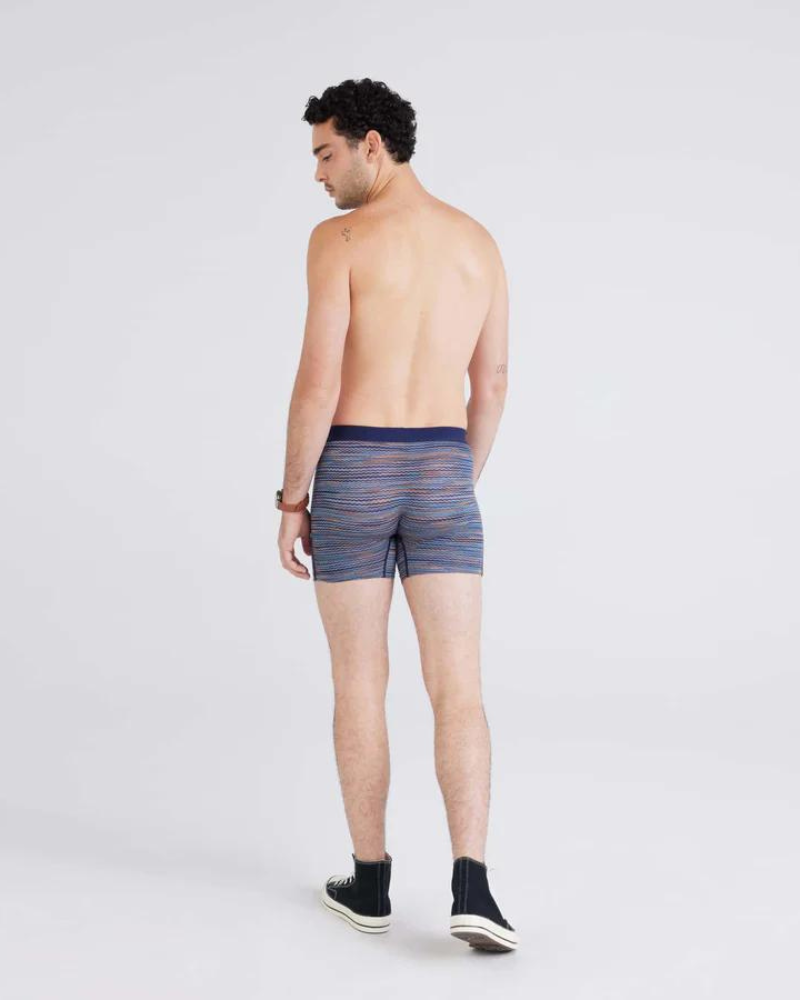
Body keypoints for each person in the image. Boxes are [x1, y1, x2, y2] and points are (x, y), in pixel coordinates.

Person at [276, 78, 517, 953]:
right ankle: (473, 885)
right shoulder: (476, 242)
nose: (317, 174)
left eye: (325, 154)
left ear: (371, 145)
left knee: (359, 682)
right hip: (444, 463)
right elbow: (491, 385)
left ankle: (370, 881)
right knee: (460, 687)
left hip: (356, 463)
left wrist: (292, 499)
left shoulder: (339, 239)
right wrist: (455, 477)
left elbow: (318, 381)